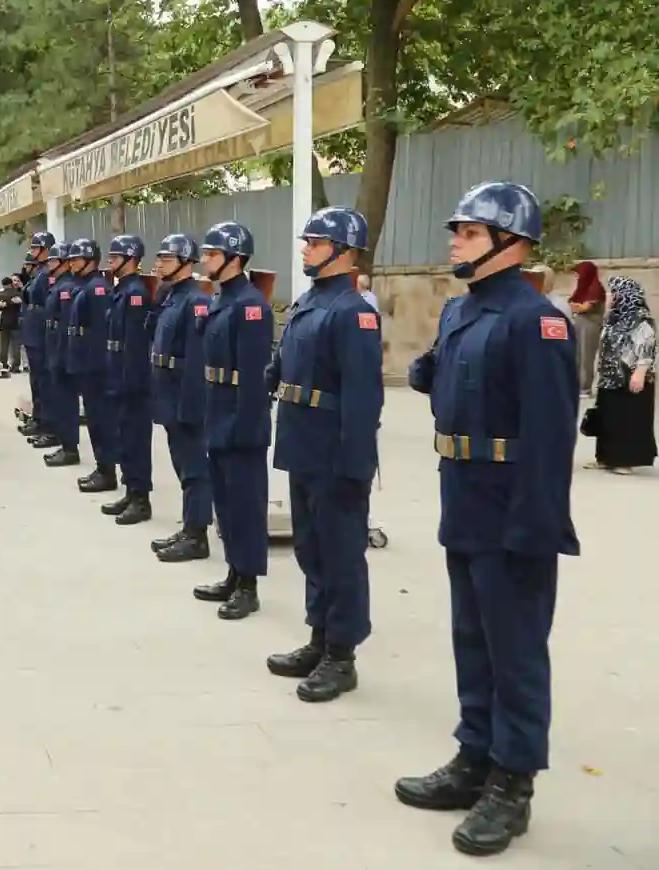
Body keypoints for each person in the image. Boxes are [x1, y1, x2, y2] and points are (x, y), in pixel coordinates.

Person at [401, 181, 579, 857]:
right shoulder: (460, 312)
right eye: (459, 231)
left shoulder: (537, 321)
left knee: (517, 654)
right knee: (472, 641)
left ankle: (514, 782)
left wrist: (536, 529)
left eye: (469, 232)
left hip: (513, 513)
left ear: (513, 243)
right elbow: (435, 374)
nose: (455, 240)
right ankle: (474, 755)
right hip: (464, 501)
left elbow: (550, 435)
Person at [264, 207, 383, 702]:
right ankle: (319, 637)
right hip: (303, 442)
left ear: (345, 251)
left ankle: (342, 655)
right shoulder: (310, 300)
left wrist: (357, 466)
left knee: (340, 555)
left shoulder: (354, 311)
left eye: (315, 241)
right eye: (307, 240)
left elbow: (363, 397)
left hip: (334, 451)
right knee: (312, 549)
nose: (305, 248)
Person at [193, 221, 272, 620]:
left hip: (241, 417)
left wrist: (245, 427)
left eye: (211, 253)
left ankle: (249, 584)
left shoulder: (251, 305)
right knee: (226, 502)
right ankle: (233, 571)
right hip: (218, 409)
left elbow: (256, 376)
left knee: (246, 505)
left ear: (234, 258)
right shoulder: (221, 298)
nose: (204, 259)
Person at [147, 234, 214, 562]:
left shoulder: (195, 300)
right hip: (168, 390)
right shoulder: (171, 297)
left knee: (194, 467)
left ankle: (197, 534)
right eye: (159, 258)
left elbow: (197, 357)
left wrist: (191, 405)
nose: (159, 264)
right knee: (181, 462)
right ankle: (190, 525)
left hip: (184, 394)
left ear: (187, 264)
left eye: (168, 259)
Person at [100, 235, 154, 525]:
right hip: (117, 371)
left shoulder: (136, 294)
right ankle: (131, 491)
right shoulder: (122, 290)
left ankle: (141, 498)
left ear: (130, 259)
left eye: (115, 256)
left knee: (135, 440)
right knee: (124, 437)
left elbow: (134, 343)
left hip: (130, 377)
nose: (110, 261)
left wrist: (129, 383)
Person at [587, 275, 656, 473]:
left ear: (623, 295)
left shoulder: (640, 318)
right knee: (607, 417)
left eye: (612, 293)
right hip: (610, 375)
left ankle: (624, 460)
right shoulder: (613, 317)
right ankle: (605, 458)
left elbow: (647, 345)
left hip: (629, 374)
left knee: (626, 418)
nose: (608, 296)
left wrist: (640, 372)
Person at [63, 239, 114, 489]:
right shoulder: (86, 286)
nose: (71, 263)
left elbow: (100, 332)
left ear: (90, 261)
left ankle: (107, 470)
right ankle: (101, 467)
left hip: (94, 366)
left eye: (76, 259)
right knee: (94, 419)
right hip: (85, 363)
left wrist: (94, 367)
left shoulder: (97, 289)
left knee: (100, 420)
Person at [39, 243, 82, 464]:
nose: (50, 265)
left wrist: (63, 354)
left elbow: (67, 323)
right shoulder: (58, 285)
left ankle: (70, 447)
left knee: (66, 401)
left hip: (62, 349)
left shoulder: (68, 287)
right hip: (54, 346)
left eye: (54, 261)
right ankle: (65, 443)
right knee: (58, 398)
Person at [18, 239, 54, 433]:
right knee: (36, 379)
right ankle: (39, 418)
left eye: (35, 247)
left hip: (40, 330)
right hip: (32, 329)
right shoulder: (39, 272)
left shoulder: (48, 272)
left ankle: (45, 422)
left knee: (43, 380)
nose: (31, 251)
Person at [568, 260, 606, 394]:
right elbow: (572, 304)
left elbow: (584, 307)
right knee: (576, 355)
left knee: (586, 357)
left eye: (579, 273)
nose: (577, 277)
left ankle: (585, 387)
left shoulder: (596, 289)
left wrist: (579, 307)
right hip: (579, 325)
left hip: (590, 326)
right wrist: (578, 307)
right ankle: (576, 385)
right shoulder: (581, 289)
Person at [0, 275, 24, 372]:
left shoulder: (1, 294)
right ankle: (16, 366)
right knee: (16, 346)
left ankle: (3, 364)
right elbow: (20, 303)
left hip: (4, 322)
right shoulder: (17, 293)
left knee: (4, 345)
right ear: (11, 284)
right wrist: (12, 302)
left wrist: (6, 303)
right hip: (15, 322)